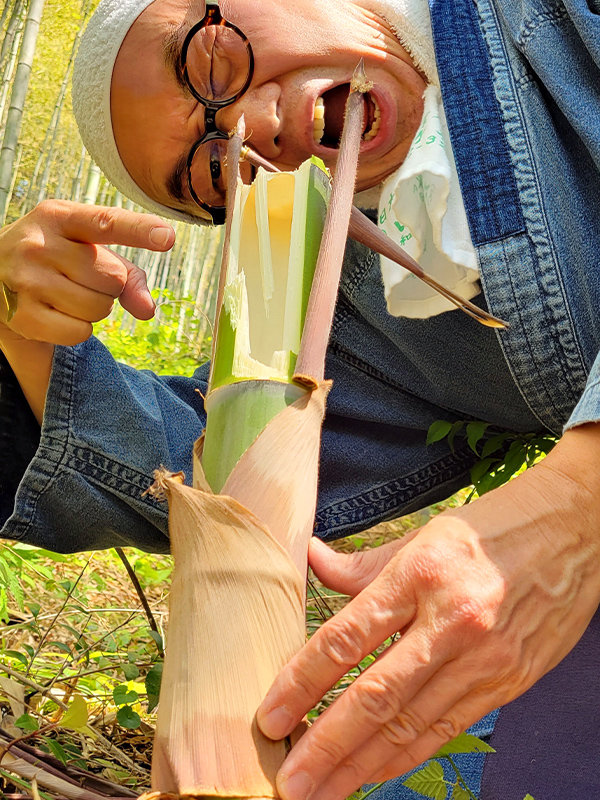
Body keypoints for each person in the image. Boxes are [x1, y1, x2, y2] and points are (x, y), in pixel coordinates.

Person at [1, 0, 599, 797]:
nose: (255, 128)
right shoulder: (377, 313)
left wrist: (576, 504)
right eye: (215, 172)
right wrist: (19, 338)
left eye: (212, 62)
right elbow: (224, 468)